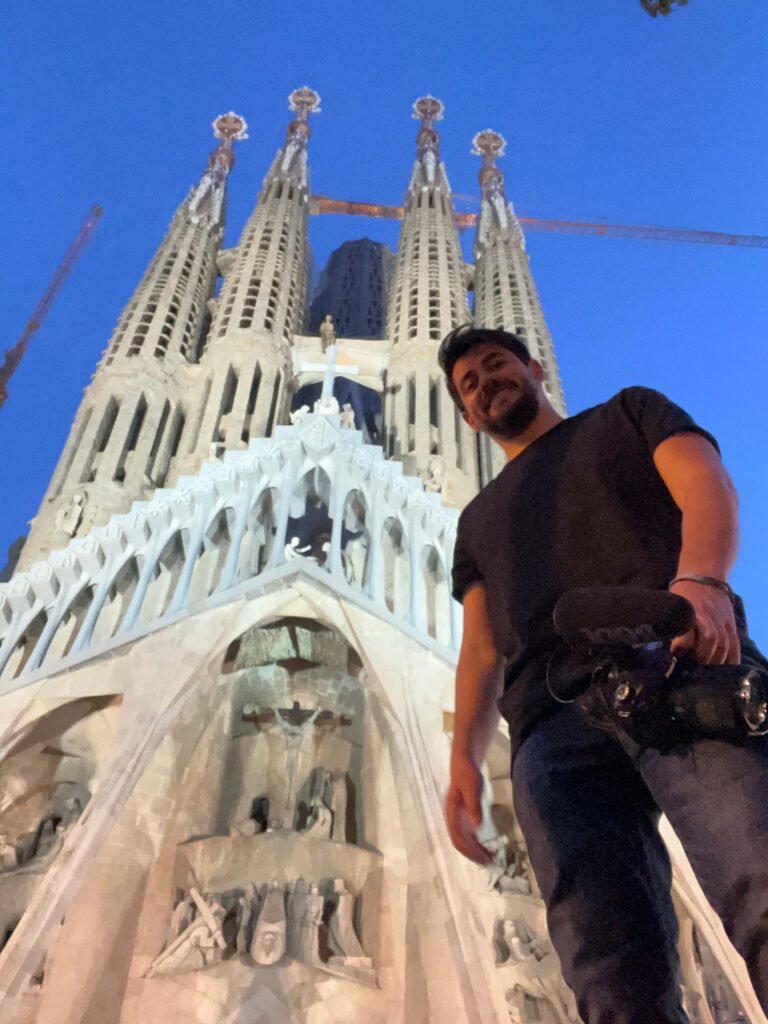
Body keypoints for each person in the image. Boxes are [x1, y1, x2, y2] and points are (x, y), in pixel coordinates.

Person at [438, 324, 768, 1024]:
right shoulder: (476, 521)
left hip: (675, 660)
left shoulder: (626, 413)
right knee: (607, 967)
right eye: (469, 385)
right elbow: (479, 648)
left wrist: (703, 579)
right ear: (466, 416)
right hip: (550, 727)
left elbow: (706, 483)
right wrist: (464, 756)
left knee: (758, 871)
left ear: (533, 367)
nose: (485, 384)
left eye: (496, 366)